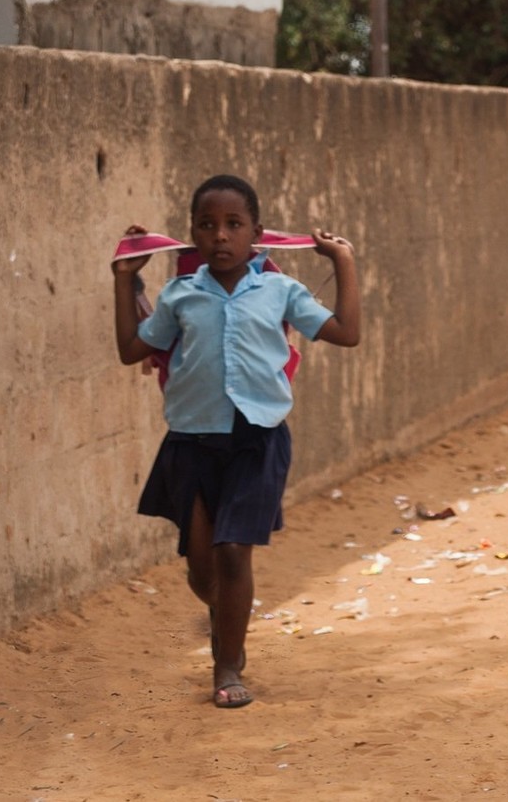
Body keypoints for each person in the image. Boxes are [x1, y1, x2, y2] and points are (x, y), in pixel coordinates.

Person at [111, 174, 361, 709]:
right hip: (190, 443)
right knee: (202, 568)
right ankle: (223, 613)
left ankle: (228, 664)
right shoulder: (181, 294)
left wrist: (343, 262)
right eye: (207, 225)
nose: (220, 236)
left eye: (233, 225)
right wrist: (126, 282)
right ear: (193, 235)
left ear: (256, 234)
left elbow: (346, 332)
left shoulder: (280, 291)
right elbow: (133, 349)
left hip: (257, 440)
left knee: (231, 553)